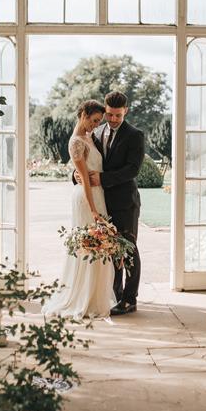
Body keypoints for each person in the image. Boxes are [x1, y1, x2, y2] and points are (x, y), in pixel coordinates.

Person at [41, 100, 118, 319]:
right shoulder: (76, 142)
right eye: (93, 120)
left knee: (98, 245)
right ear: (83, 114)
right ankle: (82, 296)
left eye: (98, 122)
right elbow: (83, 178)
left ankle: (95, 296)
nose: (96, 125)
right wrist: (93, 210)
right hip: (87, 199)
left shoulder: (89, 137)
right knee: (88, 245)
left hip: (98, 195)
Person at [75, 91, 145, 316]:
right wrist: (75, 176)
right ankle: (115, 294)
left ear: (126, 111)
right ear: (105, 110)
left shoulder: (135, 135)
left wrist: (102, 179)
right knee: (111, 252)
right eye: (110, 115)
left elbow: (132, 170)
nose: (113, 120)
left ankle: (129, 299)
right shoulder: (98, 131)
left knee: (128, 251)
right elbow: (87, 160)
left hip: (125, 203)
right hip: (104, 203)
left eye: (118, 115)